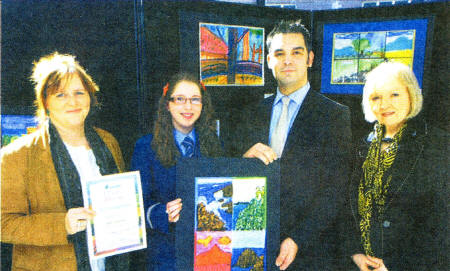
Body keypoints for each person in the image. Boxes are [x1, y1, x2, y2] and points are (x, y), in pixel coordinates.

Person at [231, 20, 352, 270]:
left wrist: (298, 238)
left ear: (310, 58)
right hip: (255, 245)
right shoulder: (249, 114)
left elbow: (336, 191)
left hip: (309, 250)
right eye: (279, 53)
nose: (287, 60)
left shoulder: (334, 116)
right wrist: (243, 160)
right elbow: (228, 176)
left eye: (296, 52)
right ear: (268, 61)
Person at [1, 52, 129, 271]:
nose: (73, 101)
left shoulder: (108, 142)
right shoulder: (16, 155)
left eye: (80, 92)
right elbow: (4, 224)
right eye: (60, 95)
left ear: (90, 96)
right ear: (45, 101)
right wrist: (62, 224)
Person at [342, 61, 448, 270]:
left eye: (394, 95)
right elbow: (345, 210)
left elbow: (441, 227)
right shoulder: (361, 146)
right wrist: (355, 253)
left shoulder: (439, 145)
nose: (384, 105)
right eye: (376, 97)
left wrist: (394, 266)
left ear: (411, 96)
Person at [131, 72, 223, 270]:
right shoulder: (145, 147)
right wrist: (163, 213)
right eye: (180, 99)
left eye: (195, 100)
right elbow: (137, 205)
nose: (188, 107)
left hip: (208, 254)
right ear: (168, 104)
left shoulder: (215, 145)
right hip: (165, 256)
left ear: (202, 105)